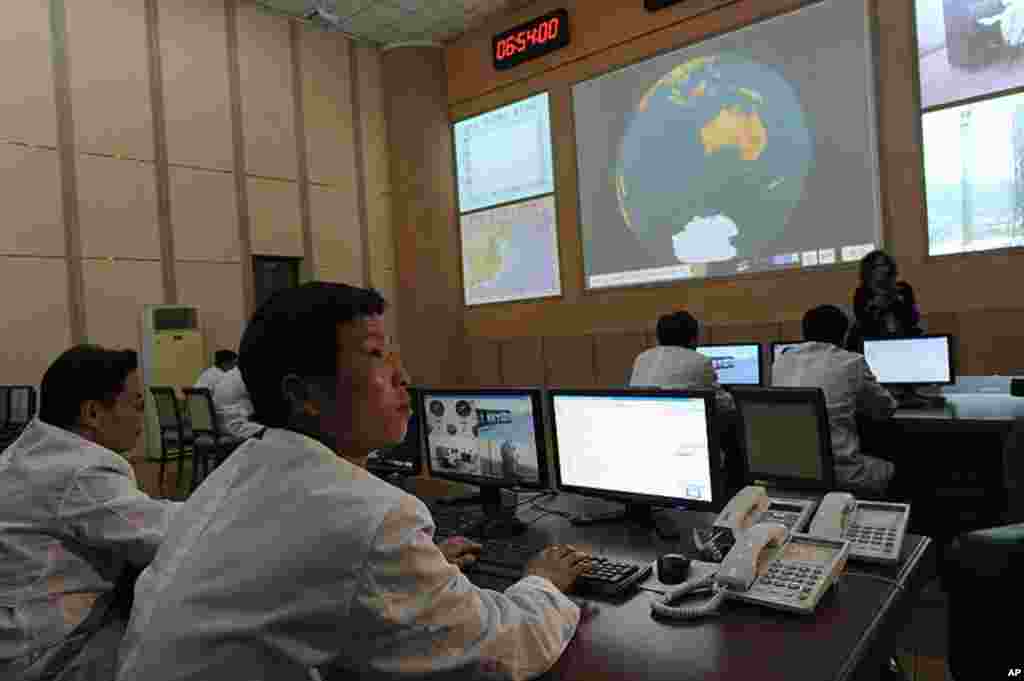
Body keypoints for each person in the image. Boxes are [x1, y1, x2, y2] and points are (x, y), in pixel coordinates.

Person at [116, 282, 587, 681]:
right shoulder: (369, 513)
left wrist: (406, 573)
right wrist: (542, 582)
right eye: (376, 355)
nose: (403, 376)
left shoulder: (238, 473)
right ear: (304, 394)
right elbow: (501, 649)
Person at [0, 345, 182, 681]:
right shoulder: (80, 470)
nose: (142, 418)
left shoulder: (31, 448)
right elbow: (167, 536)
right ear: (93, 413)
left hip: (14, 634)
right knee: (183, 636)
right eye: (137, 405)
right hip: (40, 653)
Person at [772, 305, 899, 496]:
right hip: (840, 474)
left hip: (787, 471)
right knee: (897, 465)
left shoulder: (780, 362)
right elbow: (886, 409)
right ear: (844, 335)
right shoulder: (852, 362)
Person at [629, 310, 735, 412]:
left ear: (658, 338)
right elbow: (724, 403)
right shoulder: (700, 361)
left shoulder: (641, 358)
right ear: (693, 340)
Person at [853, 250, 922, 340]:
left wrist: (899, 301)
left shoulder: (903, 288)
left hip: (904, 336)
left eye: (885, 265)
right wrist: (874, 306)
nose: (883, 269)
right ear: (869, 270)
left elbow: (914, 318)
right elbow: (862, 321)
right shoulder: (862, 292)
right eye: (877, 266)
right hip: (874, 338)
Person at [210, 364, 264, 439]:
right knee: (274, 433)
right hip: (235, 427)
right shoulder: (244, 375)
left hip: (220, 426)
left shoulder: (230, 375)